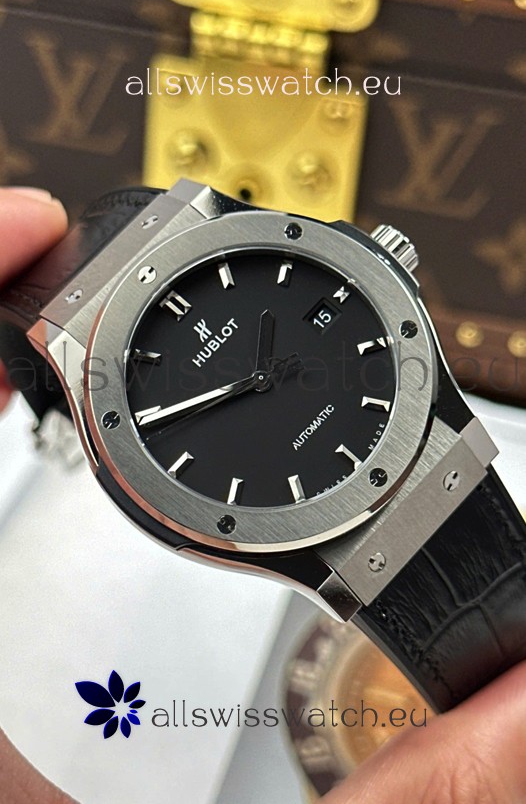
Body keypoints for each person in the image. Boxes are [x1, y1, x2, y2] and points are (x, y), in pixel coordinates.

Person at [1, 186, 526, 804]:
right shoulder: (73, 348)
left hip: (433, 448)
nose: (261, 382)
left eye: (259, 380)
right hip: (344, 547)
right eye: (257, 384)